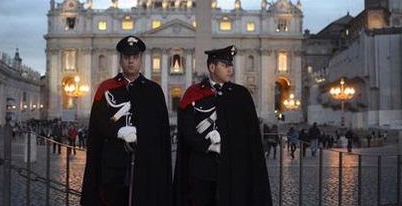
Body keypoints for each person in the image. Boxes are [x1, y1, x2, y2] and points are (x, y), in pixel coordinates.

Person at [173, 45, 272, 206]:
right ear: (212, 67)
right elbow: (187, 130)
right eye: (225, 65)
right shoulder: (194, 93)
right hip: (201, 168)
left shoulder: (241, 95)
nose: (230, 69)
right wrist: (208, 145)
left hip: (234, 168)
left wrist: (225, 139)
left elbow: (249, 135)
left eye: (231, 65)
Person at [81, 35, 172, 206]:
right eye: (127, 57)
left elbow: (160, 131)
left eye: (135, 57)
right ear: (121, 60)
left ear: (141, 60)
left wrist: (142, 134)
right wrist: (118, 131)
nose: (131, 61)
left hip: (145, 166)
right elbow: (98, 124)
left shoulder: (154, 91)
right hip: (113, 166)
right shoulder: (106, 88)